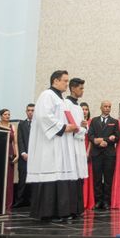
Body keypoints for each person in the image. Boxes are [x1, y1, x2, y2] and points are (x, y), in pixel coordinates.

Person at [26, 70, 80, 221]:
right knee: (51, 173)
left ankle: (60, 211)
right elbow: (44, 116)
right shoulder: (47, 95)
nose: (67, 84)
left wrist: (71, 126)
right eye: (65, 81)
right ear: (55, 81)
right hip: (49, 145)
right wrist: (63, 127)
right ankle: (47, 212)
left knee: (60, 174)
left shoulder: (60, 99)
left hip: (60, 144)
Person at [87, 100, 120, 210]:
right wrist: (99, 141)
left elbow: (117, 137)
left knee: (108, 179)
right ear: (101, 107)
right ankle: (98, 201)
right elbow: (90, 135)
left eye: (109, 106)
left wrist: (107, 141)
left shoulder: (114, 121)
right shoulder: (94, 121)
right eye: (105, 106)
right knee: (97, 179)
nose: (107, 108)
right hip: (96, 153)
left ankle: (106, 202)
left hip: (109, 154)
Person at [64, 78, 89, 218]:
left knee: (79, 177)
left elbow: (81, 126)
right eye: (81, 88)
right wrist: (82, 128)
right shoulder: (66, 105)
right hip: (70, 145)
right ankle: (70, 209)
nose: (82, 91)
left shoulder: (78, 107)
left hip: (79, 144)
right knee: (71, 178)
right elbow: (72, 127)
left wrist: (83, 126)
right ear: (73, 88)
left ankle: (78, 208)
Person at [0, 108, 19, 212]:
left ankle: (8, 205)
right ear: (0, 116)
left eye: (9, 114)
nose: (7, 116)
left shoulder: (12, 127)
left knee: (9, 180)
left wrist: (17, 155)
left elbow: (15, 142)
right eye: (5, 114)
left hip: (10, 153)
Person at [13, 103, 34, 208]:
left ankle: (33, 201)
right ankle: (19, 200)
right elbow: (19, 140)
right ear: (26, 112)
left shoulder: (39, 124)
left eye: (32, 110)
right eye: (28, 110)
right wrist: (23, 153)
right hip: (24, 156)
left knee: (35, 180)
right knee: (22, 179)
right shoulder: (22, 124)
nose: (30, 112)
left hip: (36, 157)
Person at [80, 102, 95, 210]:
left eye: (86, 109)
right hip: (77, 149)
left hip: (87, 150)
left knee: (87, 176)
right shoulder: (76, 122)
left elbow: (91, 138)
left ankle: (87, 201)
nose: (84, 111)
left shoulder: (91, 122)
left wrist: (88, 152)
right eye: (82, 109)